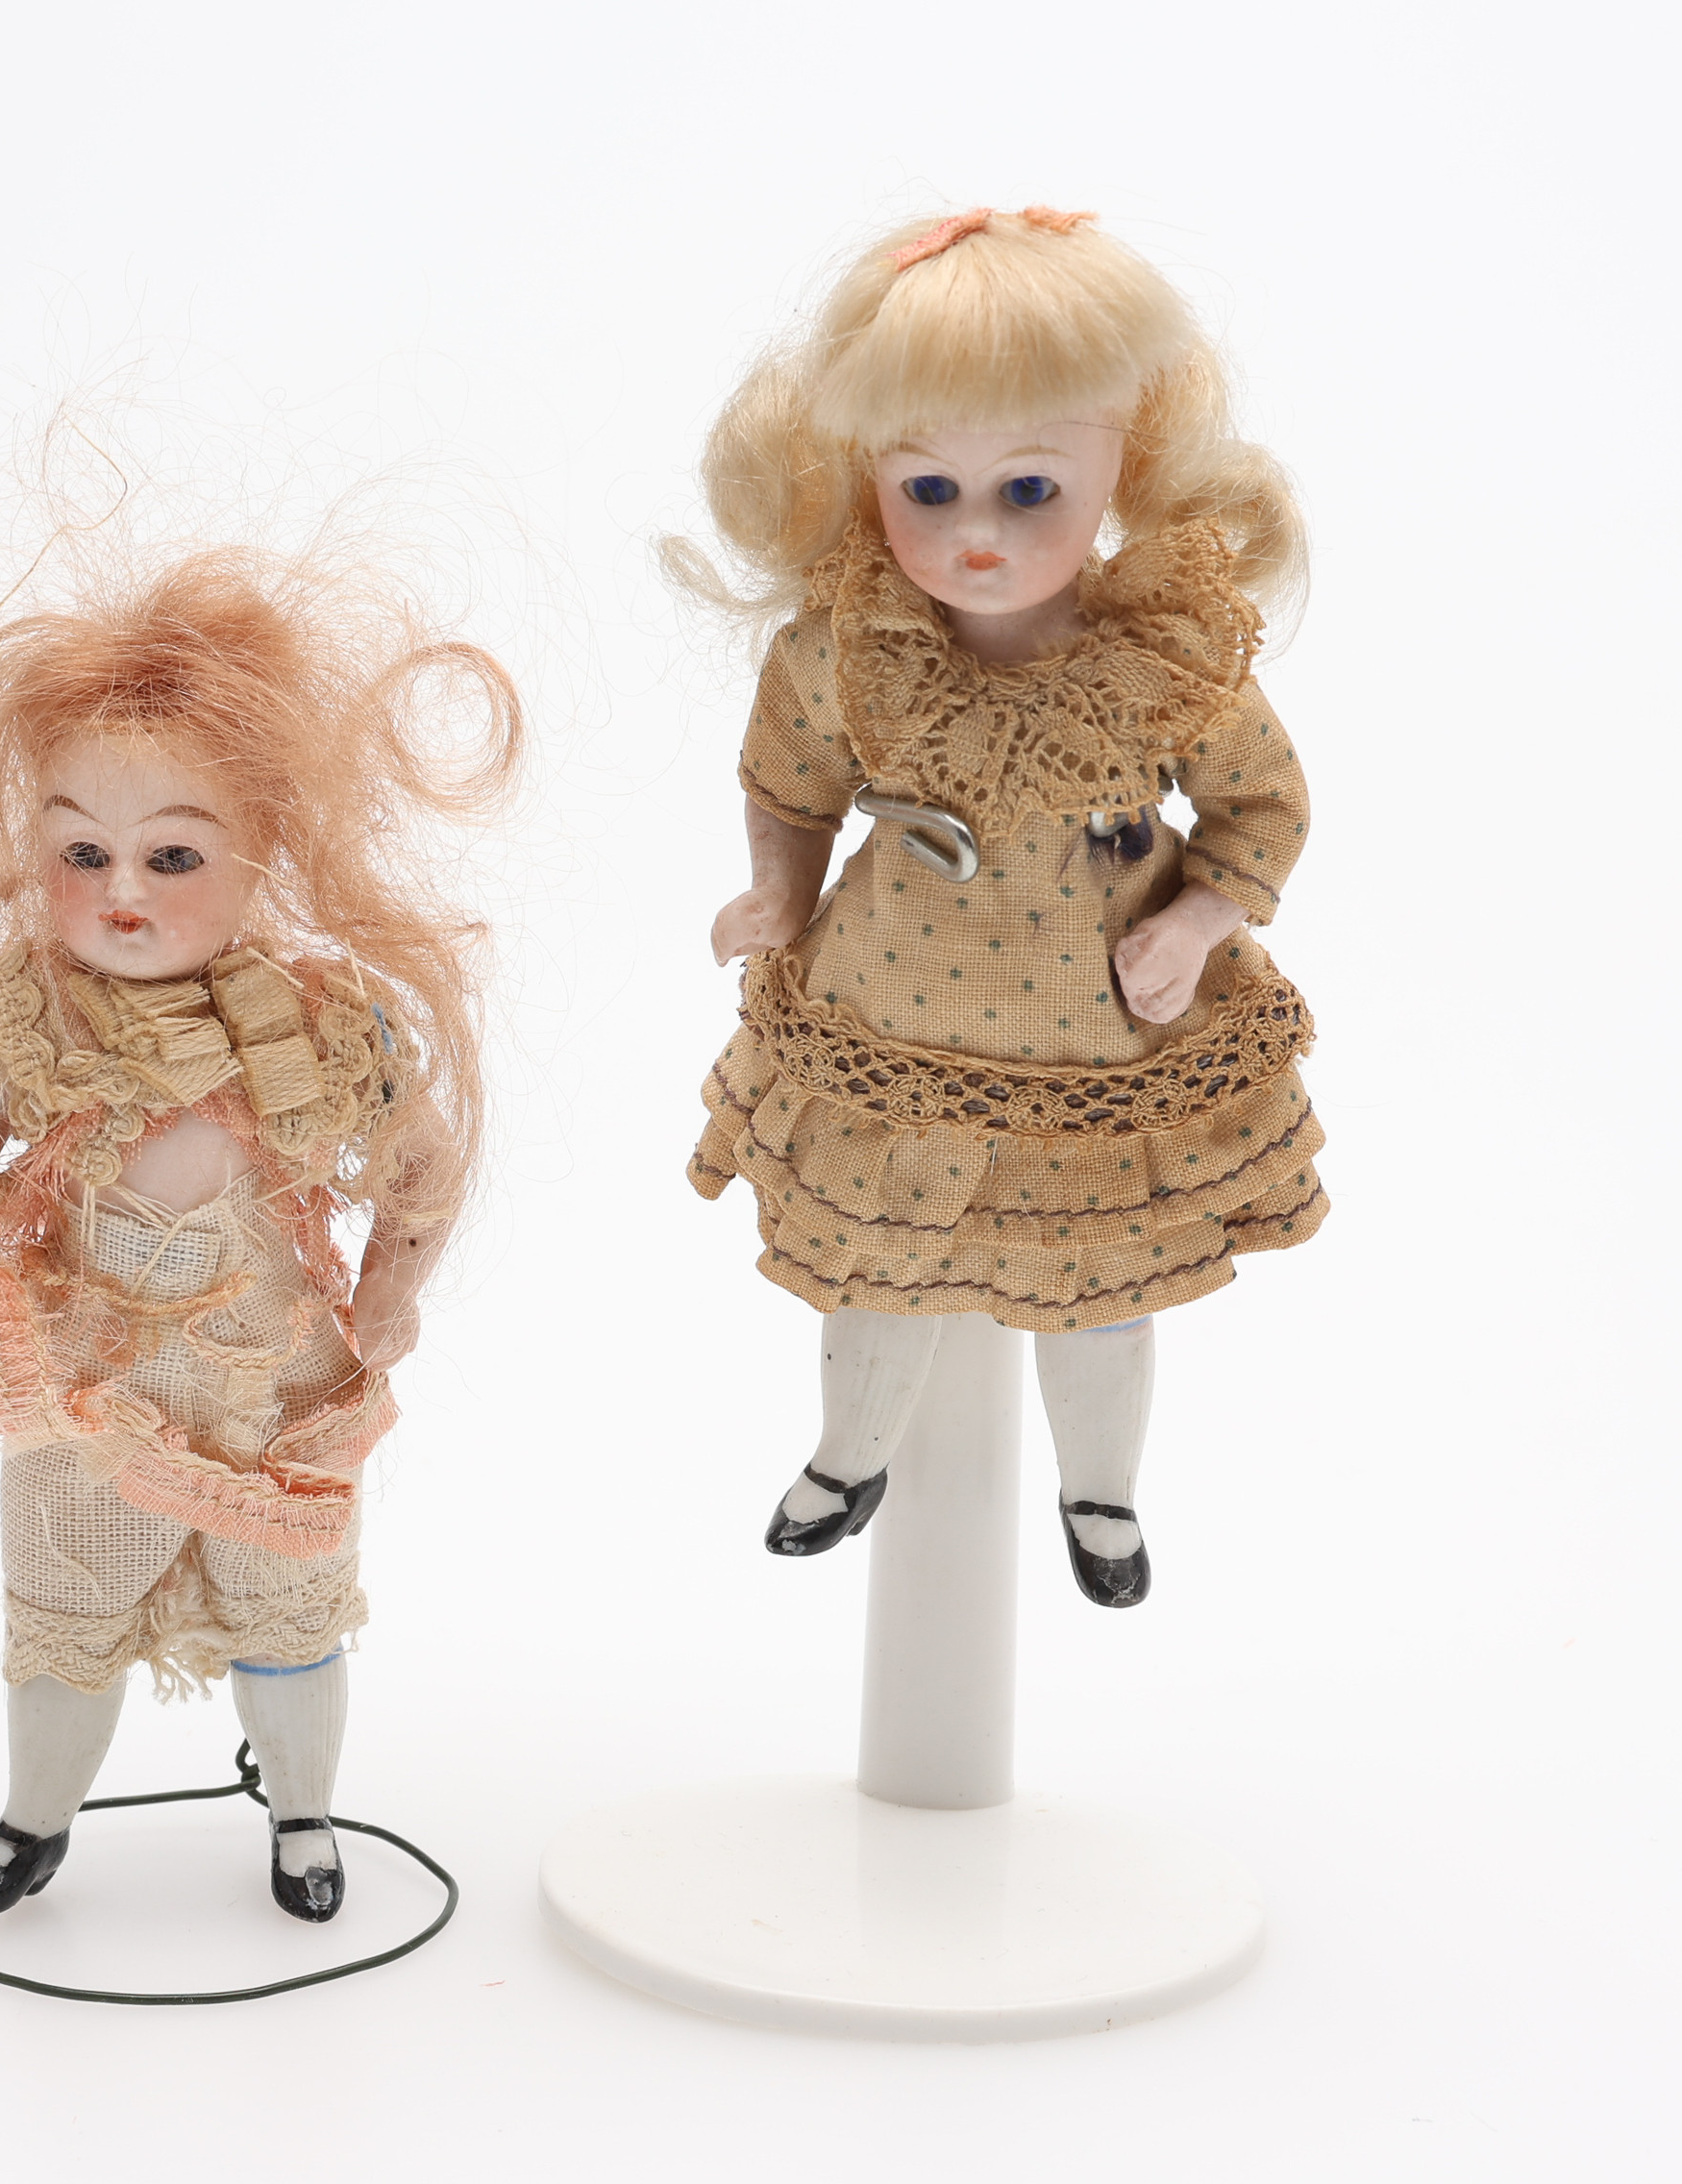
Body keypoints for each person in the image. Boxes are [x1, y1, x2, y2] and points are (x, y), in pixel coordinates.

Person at [0, 549, 519, 1921]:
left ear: (261, 848)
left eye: (172, 855)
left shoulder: (322, 1027)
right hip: (91, 1381)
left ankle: (304, 1816)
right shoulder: (23, 1020)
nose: (123, 892)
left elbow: (421, 1165)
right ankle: (34, 1821)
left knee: (292, 1608)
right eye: (81, 852)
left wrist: (392, 1288)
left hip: (276, 1381)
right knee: (63, 1610)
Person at [680, 208, 1323, 1604]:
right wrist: (777, 889)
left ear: (1121, 460)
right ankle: (851, 1456)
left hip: (1104, 1036)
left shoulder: (1163, 657)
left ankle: (1101, 1491)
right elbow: (789, 780)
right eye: (929, 489)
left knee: (1100, 1283)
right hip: (891, 1019)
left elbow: (1263, 807)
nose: (976, 537)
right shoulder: (847, 650)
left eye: (1030, 489)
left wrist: (1195, 924)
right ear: (865, 472)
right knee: (878, 1265)